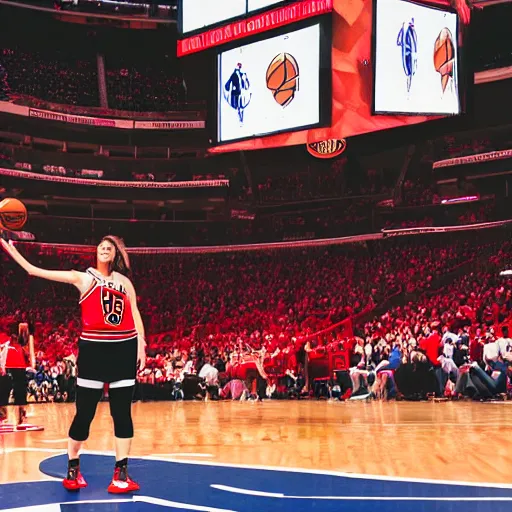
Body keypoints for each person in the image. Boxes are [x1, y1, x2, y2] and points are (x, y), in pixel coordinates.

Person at [0, 236, 147, 493]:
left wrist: (142, 344)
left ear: (114, 255)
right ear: (96, 253)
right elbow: (33, 270)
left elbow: (134, 312)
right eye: (101, 246)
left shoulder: (125, 283)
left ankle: (120, 475)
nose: (104, 249)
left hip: (124, 347)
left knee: (122, 413)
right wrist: (12, 250)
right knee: (84, 414)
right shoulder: (83, 278)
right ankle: (72, 468)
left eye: (109, 247)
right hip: (93, 349)